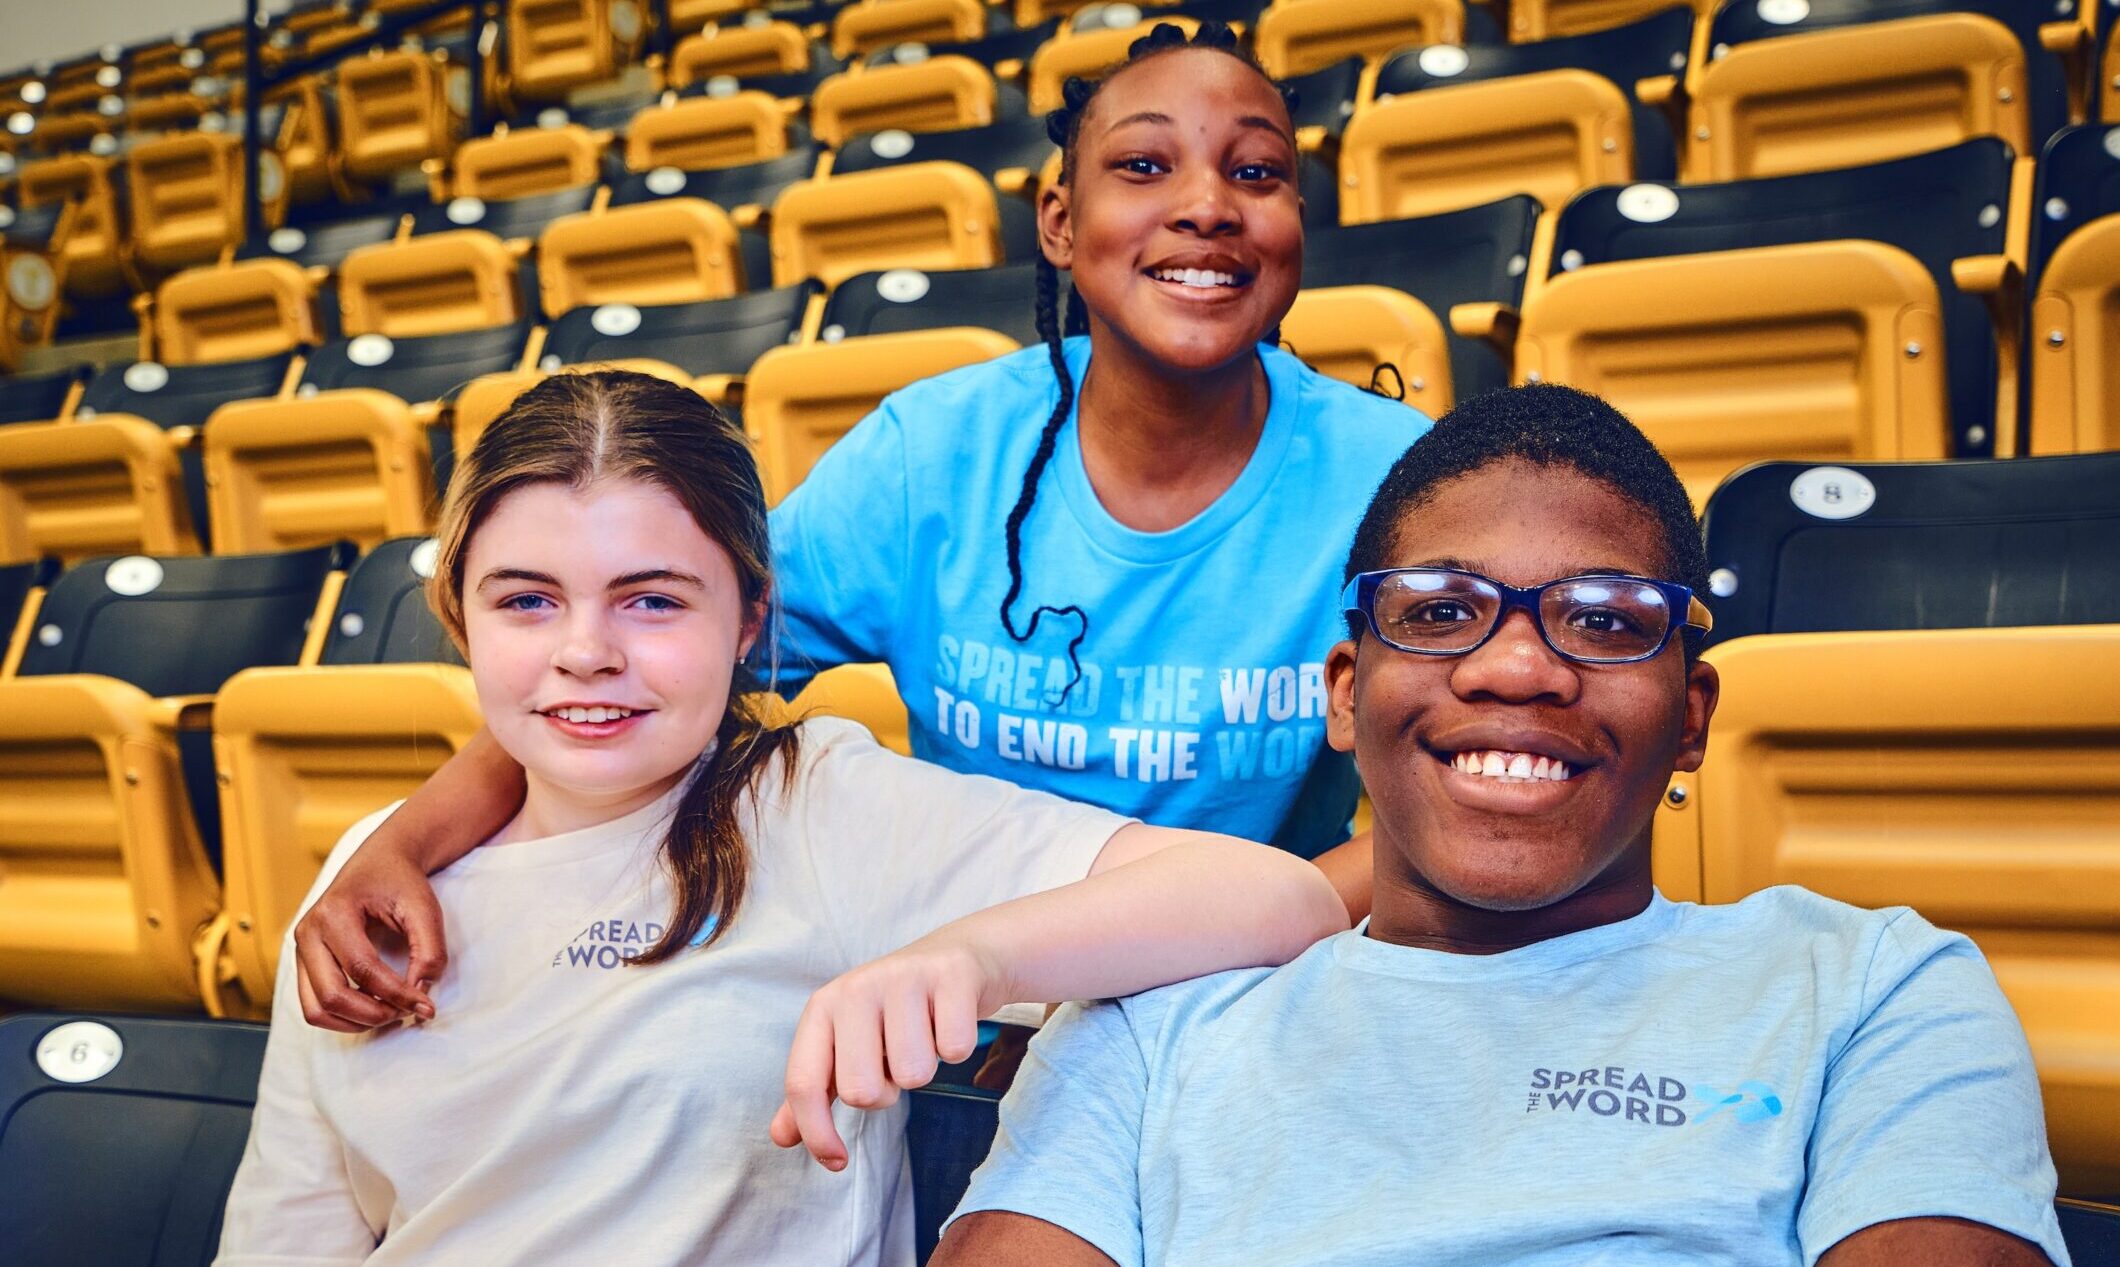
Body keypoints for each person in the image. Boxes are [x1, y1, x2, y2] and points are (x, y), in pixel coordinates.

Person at [289, 23, 1431, 1034]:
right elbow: (653, 666)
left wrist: (1228, 946)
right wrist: (404, 841)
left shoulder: (1395, 477)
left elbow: (1463, 800)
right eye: (1141, 164)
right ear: (1057, 220)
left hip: (1257, 986)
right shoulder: (928, 456)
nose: (1206, 204)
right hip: (968, 1017)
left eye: (1257, 171)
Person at [213, 371, 1349, 1267]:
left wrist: (968, 952)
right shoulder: (370, 876)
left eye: (651, 598)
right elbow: (284, 1238)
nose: (585, 651)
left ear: (750, 613)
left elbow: (1278, 898)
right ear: (457, 614)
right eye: (526, 599)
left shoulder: (811, 804)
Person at [933, 384, 2069, 1267]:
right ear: (1342, 690)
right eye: (1438, 610)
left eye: (1604, 620)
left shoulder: (1873, 992)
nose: (1516, 664)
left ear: (1690, 717)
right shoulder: (1147, 1022)